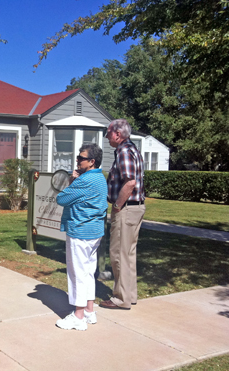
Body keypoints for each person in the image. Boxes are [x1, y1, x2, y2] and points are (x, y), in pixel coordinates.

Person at [55, 143, 108, 331]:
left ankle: (78, 316)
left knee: (77, 273)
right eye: (78, 157)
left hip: (80, 232)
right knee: (87, 272)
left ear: (92, 161)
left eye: (81, 158)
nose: (77, 160)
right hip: (94, 232)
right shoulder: (100, 178)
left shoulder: (85, 181)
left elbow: (61, 198)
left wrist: (72, 180)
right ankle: (89, 311)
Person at [100, 118, 146, 310]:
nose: (107, 136)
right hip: (136, 207)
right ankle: (129, 295)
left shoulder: (124, 152)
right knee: (128, 253)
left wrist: (118, 205)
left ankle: (120, 298)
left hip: (126, 208)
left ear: (117, 134)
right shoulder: (133, 149)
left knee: (118, 254)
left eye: (108, 133)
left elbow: (130, 182)